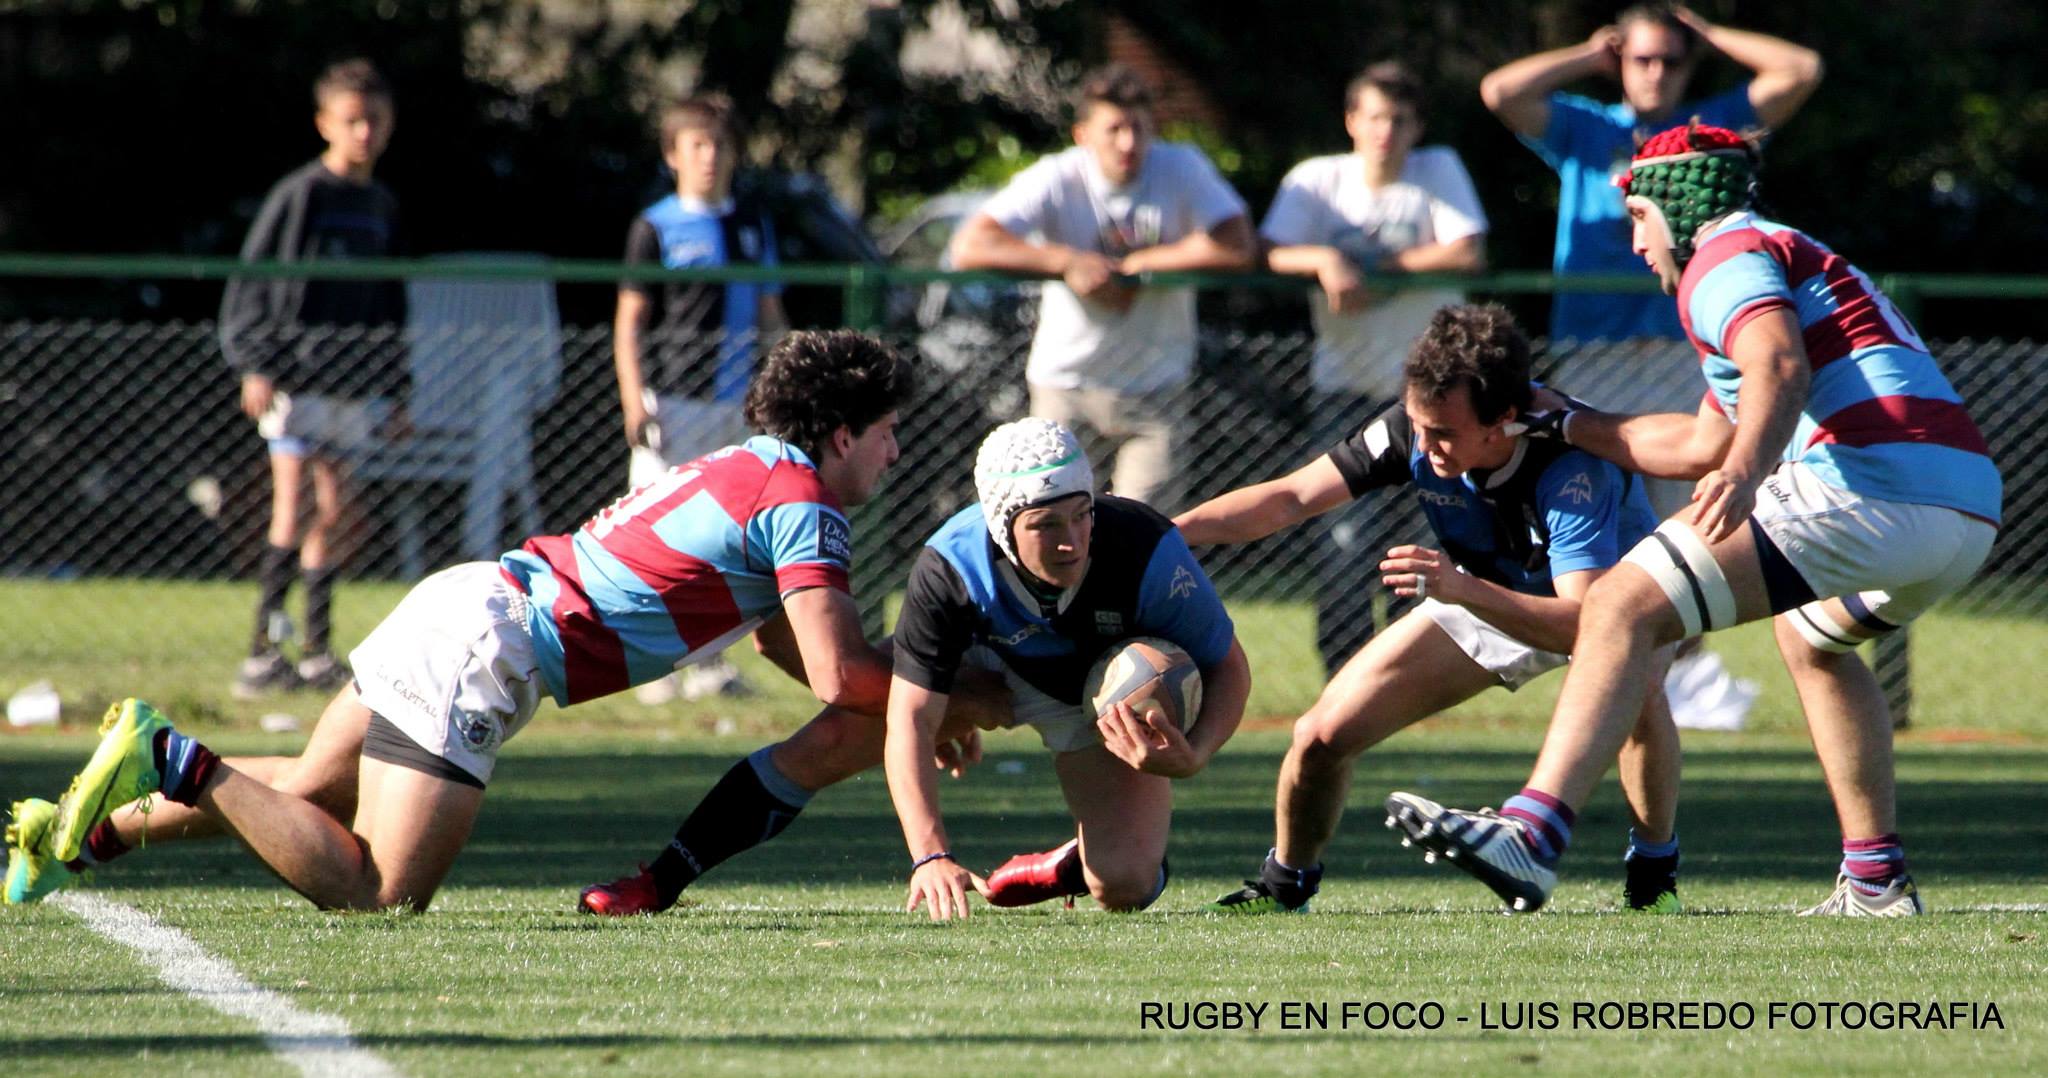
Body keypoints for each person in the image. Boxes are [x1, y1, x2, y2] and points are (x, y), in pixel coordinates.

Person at [6, 332, 951, 912]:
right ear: (840, 434)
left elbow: (785, 641)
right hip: (487, 646)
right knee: (379, 891)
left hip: (468, 602)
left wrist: (910, 706)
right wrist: (953, 701)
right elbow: (837, 677)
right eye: (886, 432)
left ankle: (81, 834)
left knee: (305, 789)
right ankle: (174, 755)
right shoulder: (805, 505)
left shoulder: (752, 467)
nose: (896, 451)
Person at [1385, 124, 2001, 917]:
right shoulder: (1771, 256)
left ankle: (1533, 833)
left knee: (1615, 604)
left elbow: (1777, 368)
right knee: (1812, 639)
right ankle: (1877, 880)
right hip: (1963, 506)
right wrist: (1568, 424)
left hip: (1873, 481)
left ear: (1675, 207)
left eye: (1639, 215)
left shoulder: (1721, 256)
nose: (1636, 240)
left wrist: (1746, 473)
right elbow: (1702, 439)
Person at [1176, 304, 1681, 915]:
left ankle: (1654, 882)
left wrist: (1459, 589)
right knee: (1318, 737)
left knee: (1639, 695)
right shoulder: (1414, 428)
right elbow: (1290, 498)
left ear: (1504, 421)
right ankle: (1286, 885)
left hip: (1613, 599)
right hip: (1486, 584)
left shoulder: (1569, 466)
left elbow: (1586, 625)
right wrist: (1168, 531)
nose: (1425, 444)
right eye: (1419, 425)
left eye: (1443, 433)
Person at [884, 418, 1252, 919]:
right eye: (1045, 525)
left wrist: (1197, 753)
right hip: (983, 672)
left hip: (1088, 693)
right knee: (859, 711)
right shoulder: (952, 565)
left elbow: (1228, 666)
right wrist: (930, 855)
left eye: (1081, 515)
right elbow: (908, 717)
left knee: (1124, 886)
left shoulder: (1142, 545)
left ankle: (1071, 864)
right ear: (999, 524)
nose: (1072, 541)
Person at [1261, 60, 1489, 674]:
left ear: (1416, 127)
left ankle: (1409, 670)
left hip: (1430, 399)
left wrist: (1383, 266)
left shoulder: (1436, 171)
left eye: (1398, 120)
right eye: (1374, 118)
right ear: (1351, 122)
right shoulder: (1319, 179)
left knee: (1425, 538)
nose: (1385, 132)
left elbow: (1466, 249)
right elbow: (1271, 250)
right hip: (1345, 388)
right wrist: (1326, 259)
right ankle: (1345, 671)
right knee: (1342, 538)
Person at [949, 64, 1255, 512]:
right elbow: (970, 244)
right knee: (1053, 520)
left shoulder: (1181, 167)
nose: (1128, 143)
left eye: (1139, 128)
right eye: (1114, 129)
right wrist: (1068, 262)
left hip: (1156, 386)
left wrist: (1148, 263)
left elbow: (1238, 245)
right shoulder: (1057, 176)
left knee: (1144, 533)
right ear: (1082, 133)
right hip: (1067, 383)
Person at [219, 58, 408, 698]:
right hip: (296, 380)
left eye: (374, 121)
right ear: (325, 123)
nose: (364, 133)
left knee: (335, 511)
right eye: (351, 121)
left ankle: (317, 650)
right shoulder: (302, 196)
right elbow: (255, 281)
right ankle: (262, 651)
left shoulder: (381, 204)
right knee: (291, 505)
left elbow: (389, 301)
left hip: (351, 383)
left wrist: (397, 387)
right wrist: (256, 364)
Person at [1479, 2, 1822, 343]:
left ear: (1690, 66)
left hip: (1687, 341)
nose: (1656, 73)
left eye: (1671, 62)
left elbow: (1803, 70)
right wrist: (1590, 54)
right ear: (1620, 60)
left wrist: (1712, 36)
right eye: (1642, 59)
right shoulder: (1586, 127)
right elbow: (1501, 92)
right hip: (1589, 342)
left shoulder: (1710, 128)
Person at [614, 94, 788, 704]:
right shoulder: (655, 225)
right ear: (673, 155)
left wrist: (784, 387)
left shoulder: (751, 223)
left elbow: (770, 311)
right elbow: (629, 321)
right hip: (674, 401)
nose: (709, 158)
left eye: (719, 145)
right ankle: (647, 662)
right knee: (656, 531)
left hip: (734, 403)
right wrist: (634, 399)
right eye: (696, 146)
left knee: (725, 537)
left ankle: (709, 661)